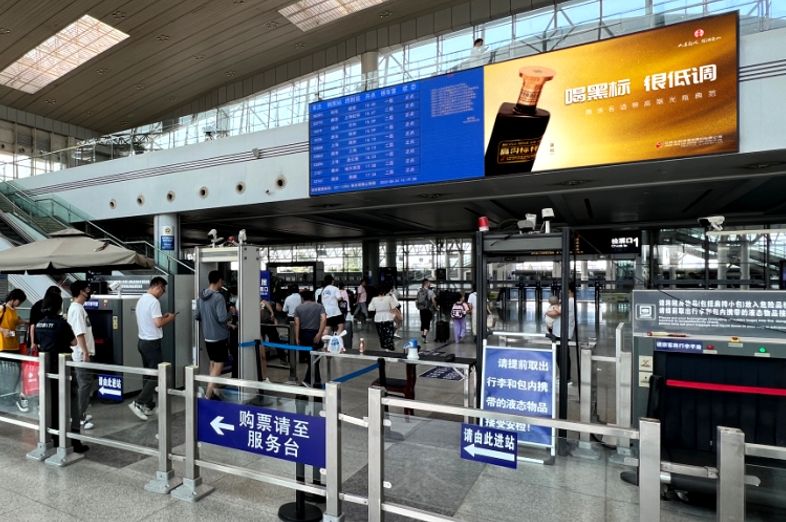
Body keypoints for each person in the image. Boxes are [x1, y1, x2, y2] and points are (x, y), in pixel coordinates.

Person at [35, 293, 89, 453]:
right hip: (63, 367)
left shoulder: (39, 324)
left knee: (51, 402)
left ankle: (54, 437)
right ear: (59, 306)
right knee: (71, 402)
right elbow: (73, 341)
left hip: (46, 368)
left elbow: (39, 343)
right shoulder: (61, 324)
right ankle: (74, 441)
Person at [130, 277, 175, 420]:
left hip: (142, 342)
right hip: (152, 343)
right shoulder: (154, 302)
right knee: (157, 374)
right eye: (163, 289)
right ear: (158, 286)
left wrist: (163, 317)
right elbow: (158, 323)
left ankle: (147, 405)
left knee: (148, 374)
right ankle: (138, 403)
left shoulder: (142, 299)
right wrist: (170, 318)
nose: (163, 293)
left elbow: (153, 320)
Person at [195, 271, 231, 400]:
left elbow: (197, 316)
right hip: (219, 336)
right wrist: (230, 313)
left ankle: (214, 390)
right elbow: (222, 318)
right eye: (222, 281)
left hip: (207, 336)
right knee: (219, 365)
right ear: (219, 280)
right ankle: (208, 394)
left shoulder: (200, 296)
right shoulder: (218, 297)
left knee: (213, 362)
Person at [67, 281, 96, 431]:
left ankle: (80, 414)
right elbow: (79, 333)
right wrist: (85, 352)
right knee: (84, 385)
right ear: (81, 291)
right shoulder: (77, 309)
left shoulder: (78, 308)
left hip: (82, 352)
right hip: (81, 353)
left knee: (85, 384)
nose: (89, 292)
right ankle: (79, 418)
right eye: (87, 289)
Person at [0, 289, 28, 412]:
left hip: (14, 345)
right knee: (7, 373)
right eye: (19, 301)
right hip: (4, 346)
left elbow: (15, 321)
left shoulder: (13, 310)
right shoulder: (2, 309)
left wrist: (24, 321)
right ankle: (6, 397)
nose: (19, 304)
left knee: (17, 372)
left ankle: (11, 395)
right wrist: (3, 330)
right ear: (13, 299)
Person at [294, 290, 326, 387]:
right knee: (315, 359)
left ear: (302, 298)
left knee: (311, 359)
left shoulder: (298, 308)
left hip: (304, 335)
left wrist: (297, 337)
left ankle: (308, 381)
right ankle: (316, 382)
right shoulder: (320, 306)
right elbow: (324, 319)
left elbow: (296, 324)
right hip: (315, 334)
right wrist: (319, 334)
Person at [546, 282, 577, 382]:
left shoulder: (570, 301)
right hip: (559, 331)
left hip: (563, 332)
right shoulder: (567, 301)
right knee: (560, 355)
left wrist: (547, 312)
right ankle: (563, 375)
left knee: (562, 356)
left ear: (569, 290)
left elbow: (557, 313)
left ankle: (566, 378)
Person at [368, 283, 399, 351]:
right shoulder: (389, 298)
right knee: (389, 332)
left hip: (378, 318)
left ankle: (384, 346)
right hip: (388, 317)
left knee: (381, 333)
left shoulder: (374, 299)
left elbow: (370, 309)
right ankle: (390, 345)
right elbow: (395, 305)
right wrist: (393, 296)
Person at [415, 278, 437, 343]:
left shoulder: (419, 291)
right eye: (429, 283)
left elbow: (416, 300)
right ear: (426, 284)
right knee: (427, 323)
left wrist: (418, 307)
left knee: (423, 322)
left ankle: (423, 337)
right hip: (428, 309)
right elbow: (433, 301)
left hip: (421, 308)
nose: (430, 284)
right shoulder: (430, 291)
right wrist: (436, 307)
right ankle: (424, 336)